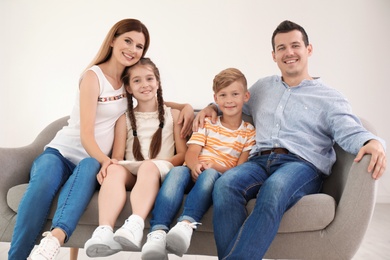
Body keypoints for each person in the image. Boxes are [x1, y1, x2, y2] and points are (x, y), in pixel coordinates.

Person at [194, 20, 387, 259]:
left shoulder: (329, 97)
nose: (289, 52)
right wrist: (211, 108)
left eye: (295, 45)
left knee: (274, 189)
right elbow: (233, 101)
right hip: (257, 161)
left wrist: (374, 142)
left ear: (309, 49)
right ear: (274, 55)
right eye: (282, 48)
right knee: (225, 185)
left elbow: (351, 131)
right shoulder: (263, 87)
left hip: (301, 165)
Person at [8, 19, 192, 260]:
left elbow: (149, 96)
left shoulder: (128, 78)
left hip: (91, 161)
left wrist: (185, 106)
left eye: (139, 46)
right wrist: (108, 161)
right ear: (113, 39)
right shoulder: (93, 76)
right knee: (41, 186)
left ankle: (55, 240)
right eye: (128, 41)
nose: (133, 49)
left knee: (87, 168)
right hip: (63, 153)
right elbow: (86, 133)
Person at [141, 68, 256, 260]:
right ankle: (158, 232)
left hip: (216, 176)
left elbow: (240, 168)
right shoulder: (208, 123)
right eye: (223, 95)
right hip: (193, 170)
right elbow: (192, 152)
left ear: (246, 96)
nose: (229, 100)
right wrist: (194, 165)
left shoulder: (248, 131)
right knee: (177, 172)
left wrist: (215, 167)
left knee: (209, 175)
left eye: (235, 94)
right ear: (215, 99)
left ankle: (186, 223)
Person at [83, 57, 189, 257]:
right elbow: (117, 156)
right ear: (129, 88)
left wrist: (156, 164)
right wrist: (109, 166)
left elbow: (183, 155)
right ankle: (104, 231)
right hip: (133, 170)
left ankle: (135, 224)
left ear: (157, 82)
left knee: (148, 167)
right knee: (114, 168)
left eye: (149, 79)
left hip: (161, 170)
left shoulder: (173, 115)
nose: (145, 85)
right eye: (137, 81)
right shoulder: (123, 119)